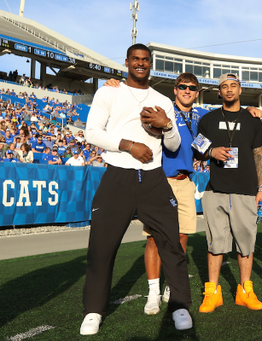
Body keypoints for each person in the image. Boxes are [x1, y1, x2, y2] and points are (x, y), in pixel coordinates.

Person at [105, 72, 262, 315]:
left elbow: (202, 143)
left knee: (182, 238)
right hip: (159, 180)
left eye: (192, 87)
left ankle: (171, 286)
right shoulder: (162, 108)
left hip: (186, 181)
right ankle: (153, 291)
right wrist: (117, 86)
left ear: (198, 93)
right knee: (154, 239)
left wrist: (250, 108)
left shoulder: (203, 116)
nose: (187, 90)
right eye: (182, 87)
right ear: (175, 90)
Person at [80, 43, 192, 335]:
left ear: (150, 64)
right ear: (127, 61)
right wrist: (130, 145)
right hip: (118, 176)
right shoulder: (109, 91)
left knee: (172, 244)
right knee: (101, 249)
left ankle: (179, 305)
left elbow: (174, 145)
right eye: (136, 59)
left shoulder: (162, 100)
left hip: (154, 179)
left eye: (145, 60)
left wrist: (166, 125)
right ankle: (94, 310)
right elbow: (91, 132)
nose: (141, 64)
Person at [195, 73, 262, 313]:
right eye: (224, 87)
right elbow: (197, 147)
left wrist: (261, 189)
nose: (229, 90)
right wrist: (211, 152)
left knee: (246, 243)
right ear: (219, 92)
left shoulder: (252, 120)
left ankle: (245, 290)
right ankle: (212, 292)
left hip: (246, 189)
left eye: (233, 86)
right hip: (216, 189)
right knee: (215, 242)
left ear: (240, 90)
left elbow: (259, 153)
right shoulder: (207, 119)